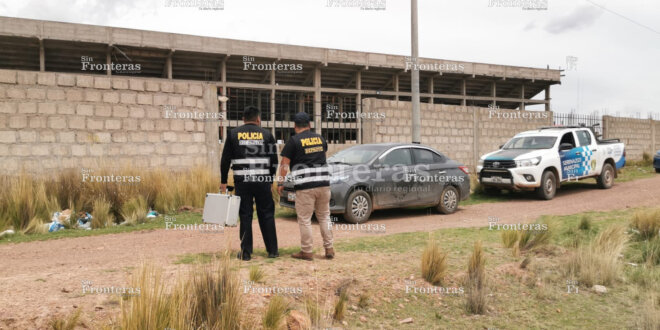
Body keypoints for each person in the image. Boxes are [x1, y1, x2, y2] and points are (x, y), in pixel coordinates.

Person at [220, 106, 279, 261]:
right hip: (262, 181)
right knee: (266, 214)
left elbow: (225, 159)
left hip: (243, 182)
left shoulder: (233, 134)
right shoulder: (267, 134)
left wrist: (223, 181)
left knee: (245, 215)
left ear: (243, 119)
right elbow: (274, 161)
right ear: (258, 119)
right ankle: (272, 251)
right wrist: (270, 179)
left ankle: (246, 253)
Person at [277, 112, 334, 261]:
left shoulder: (294, 141)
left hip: (305, 186)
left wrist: (281, 182)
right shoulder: (320, 139)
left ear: (295, 127)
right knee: (324, 216)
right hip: (323, 184)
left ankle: (307, 251)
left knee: (305, 219)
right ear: (309, 125)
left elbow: (284, 164)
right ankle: (329, 248)